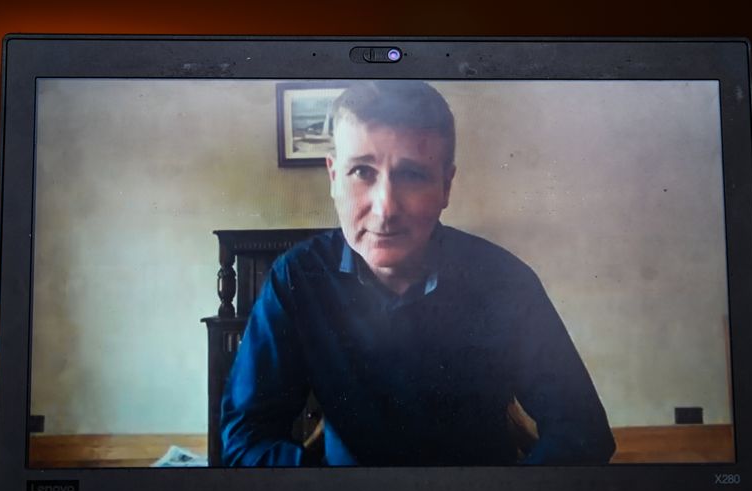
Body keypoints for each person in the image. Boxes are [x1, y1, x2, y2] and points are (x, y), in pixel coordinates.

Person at [220, 80, 616, 466]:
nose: (385, 209)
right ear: (334, 177)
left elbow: (583, 431)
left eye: (412, 175)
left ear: (446, 186)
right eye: (362, 171)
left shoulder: (507, 282)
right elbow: (244, 437)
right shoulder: (297, 278)